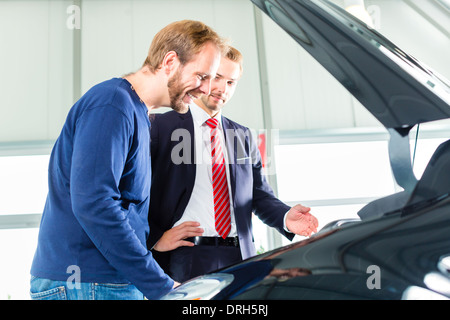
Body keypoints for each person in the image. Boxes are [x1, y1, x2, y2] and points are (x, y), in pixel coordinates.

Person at [30, 20, 225, 300]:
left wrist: (152, 243)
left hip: (105, 282)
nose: (206, 89)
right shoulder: (112, 105)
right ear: (170, 61)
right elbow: (93, 202)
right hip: (87, 282)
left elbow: (124, 207)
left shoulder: (137, 113)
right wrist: (161, 286)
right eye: (201, 76)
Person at [147, 46, 319, 283]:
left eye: (231, 82)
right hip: (185, 257)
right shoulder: (161, 127)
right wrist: (155, 238)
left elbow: (258, 195)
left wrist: (286, 217)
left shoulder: (241, 136)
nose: (222, 88)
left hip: (240, 257)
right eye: (217, 77)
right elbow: (133, 191)